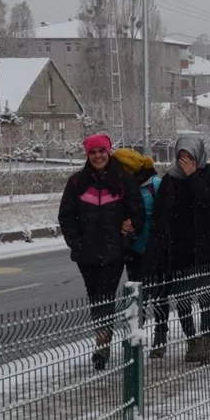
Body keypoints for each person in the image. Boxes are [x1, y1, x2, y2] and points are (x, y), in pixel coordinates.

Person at [58, 133, 144, 371]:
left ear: (109, 152)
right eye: (93, 153)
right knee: (95, 297)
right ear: (88, 156)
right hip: (86, 253)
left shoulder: (124, 180)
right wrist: (76, 242)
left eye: (101, 151)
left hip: (113, 252)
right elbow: (66, 216)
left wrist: (127, 233)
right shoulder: (77, 182)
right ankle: (102, 335)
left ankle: (102, 345)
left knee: (105, 295)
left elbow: (137, 213)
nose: (97, 156)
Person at [142, 135, 210, 364]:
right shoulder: (170, 179)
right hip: (178, 247)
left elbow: (208, 201)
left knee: (206, 296)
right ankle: (192, 340)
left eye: (190, 157)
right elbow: (160, 213)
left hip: (205, 246)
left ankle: (205, 340)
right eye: (181, 157)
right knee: (182, 298)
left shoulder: (209, 176)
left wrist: (193, 177)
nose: (185, 162)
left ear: (198, 156)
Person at [111, 148, 160, 283]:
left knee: (158, 294)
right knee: (137, 292)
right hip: (133, 249)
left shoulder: (154, 184)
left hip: (153, 248)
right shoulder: (123, 187)